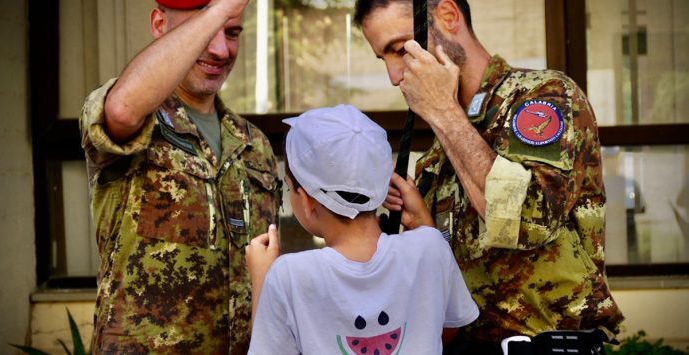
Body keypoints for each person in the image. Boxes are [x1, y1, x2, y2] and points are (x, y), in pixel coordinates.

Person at [353, 0, 624, 353]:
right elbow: (449, 288)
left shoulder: (542, 97)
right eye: (383, 58)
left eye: (400, 49)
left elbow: (529, 220)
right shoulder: (437, 153)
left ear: (448, 16)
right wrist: (425, 229)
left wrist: (443, 111)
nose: (394, 75)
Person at [79, 0, 281, 353]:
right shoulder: (141, 118)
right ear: (159, 24)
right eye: (203, 28)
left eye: (232, 33)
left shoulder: (255, 144)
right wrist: (220, 10)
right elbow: (121, 111)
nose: (220, 50)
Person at [245, 104, 479, 354]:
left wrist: (262, 280)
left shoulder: (288, 275)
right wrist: (423, 223)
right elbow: (446, 328)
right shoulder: (430, 247)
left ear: (306, 199)